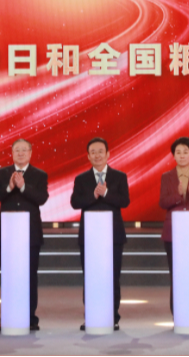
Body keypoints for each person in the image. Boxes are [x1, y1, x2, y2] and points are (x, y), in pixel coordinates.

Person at [0, 139, 49, 331]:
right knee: (9, 276)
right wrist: (9, 187)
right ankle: (7, 316)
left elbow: (42, 198)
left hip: (31, 233)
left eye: (24, 150)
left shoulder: (39, 174)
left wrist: (23, 187)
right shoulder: (2, 173)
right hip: (8, 234)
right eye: (17, 150)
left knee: (30, 276)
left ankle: (30, 318)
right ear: (12, 153)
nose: (20, 153)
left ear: (30, 153)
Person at [70, 137, 130, 331]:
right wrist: (93, 195)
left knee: (113, 277)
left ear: (108, 154)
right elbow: (75, 202)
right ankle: (91, 317)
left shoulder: (119, 177)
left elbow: (125, 201)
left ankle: (112, 317)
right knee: (91, 277)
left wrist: (106, 194)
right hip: (90, 236)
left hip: (113, 236)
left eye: (100, 151)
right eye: (93, 152)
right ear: (88, 156)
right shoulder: (81, 179)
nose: (97, 155)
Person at [159, 136, 189, 316]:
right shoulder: (167, 176)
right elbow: (163, 203)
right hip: (173, 232)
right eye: (178, 152)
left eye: (185, 152)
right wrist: (178, 195)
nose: (181, 156)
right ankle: (177, 313)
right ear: (173, 155)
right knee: (176, 274)